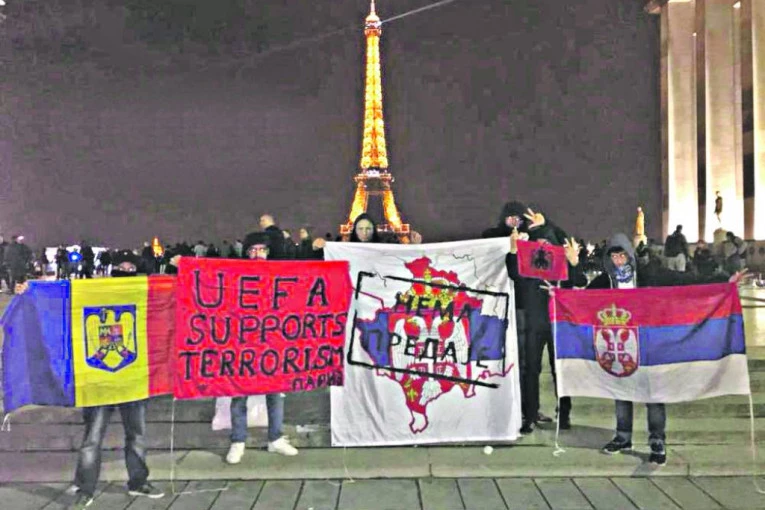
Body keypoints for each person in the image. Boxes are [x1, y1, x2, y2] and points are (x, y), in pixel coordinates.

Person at [17, 250, 165, 508]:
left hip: (133, 379)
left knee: (137, 436)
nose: (126, 272)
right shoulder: (94, 291)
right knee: (92, 439)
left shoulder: (143, 294)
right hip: (100, 381)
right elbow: (61, 295)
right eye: (122, 267)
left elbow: (170, 296)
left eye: (131, 268)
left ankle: (138, 482)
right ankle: (85, 488)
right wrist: (32, 289)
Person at [585, 233, 745, 466]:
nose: (619, 261)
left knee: (654, 394)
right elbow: (579, 299)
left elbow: (684, 280)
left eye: (622, 255)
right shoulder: (605, 281)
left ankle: (657, 440)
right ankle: (623, 437)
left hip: (651, 345)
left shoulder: (649, 274)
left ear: (630, 255)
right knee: (621, 393)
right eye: (614, 257)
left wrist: (723, 282)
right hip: (623, 347)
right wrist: (557, 295)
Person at [486, 202, 585, 434]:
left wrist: (574, 263)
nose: (543, 246)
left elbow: (579, 281)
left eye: (547, 242)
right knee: (530, 369)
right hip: (534, 321)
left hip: (558, 322)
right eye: (539, 242)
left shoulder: (562, 262)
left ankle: (564, 414)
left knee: (560, 370)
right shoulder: (528, 264)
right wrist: (513, 251)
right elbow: (513, 273)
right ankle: (529, 415)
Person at [226, 232, 298, 464]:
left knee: (275, 392)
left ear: (268, 252)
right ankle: (238, 441)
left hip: (271, 342)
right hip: (243, 342)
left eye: (262, 249)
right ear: (246, 253)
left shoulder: (278, 274)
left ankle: (275, 438)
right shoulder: (235, 276)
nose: (258, 254)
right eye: (253, 250)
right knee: (239, 393)